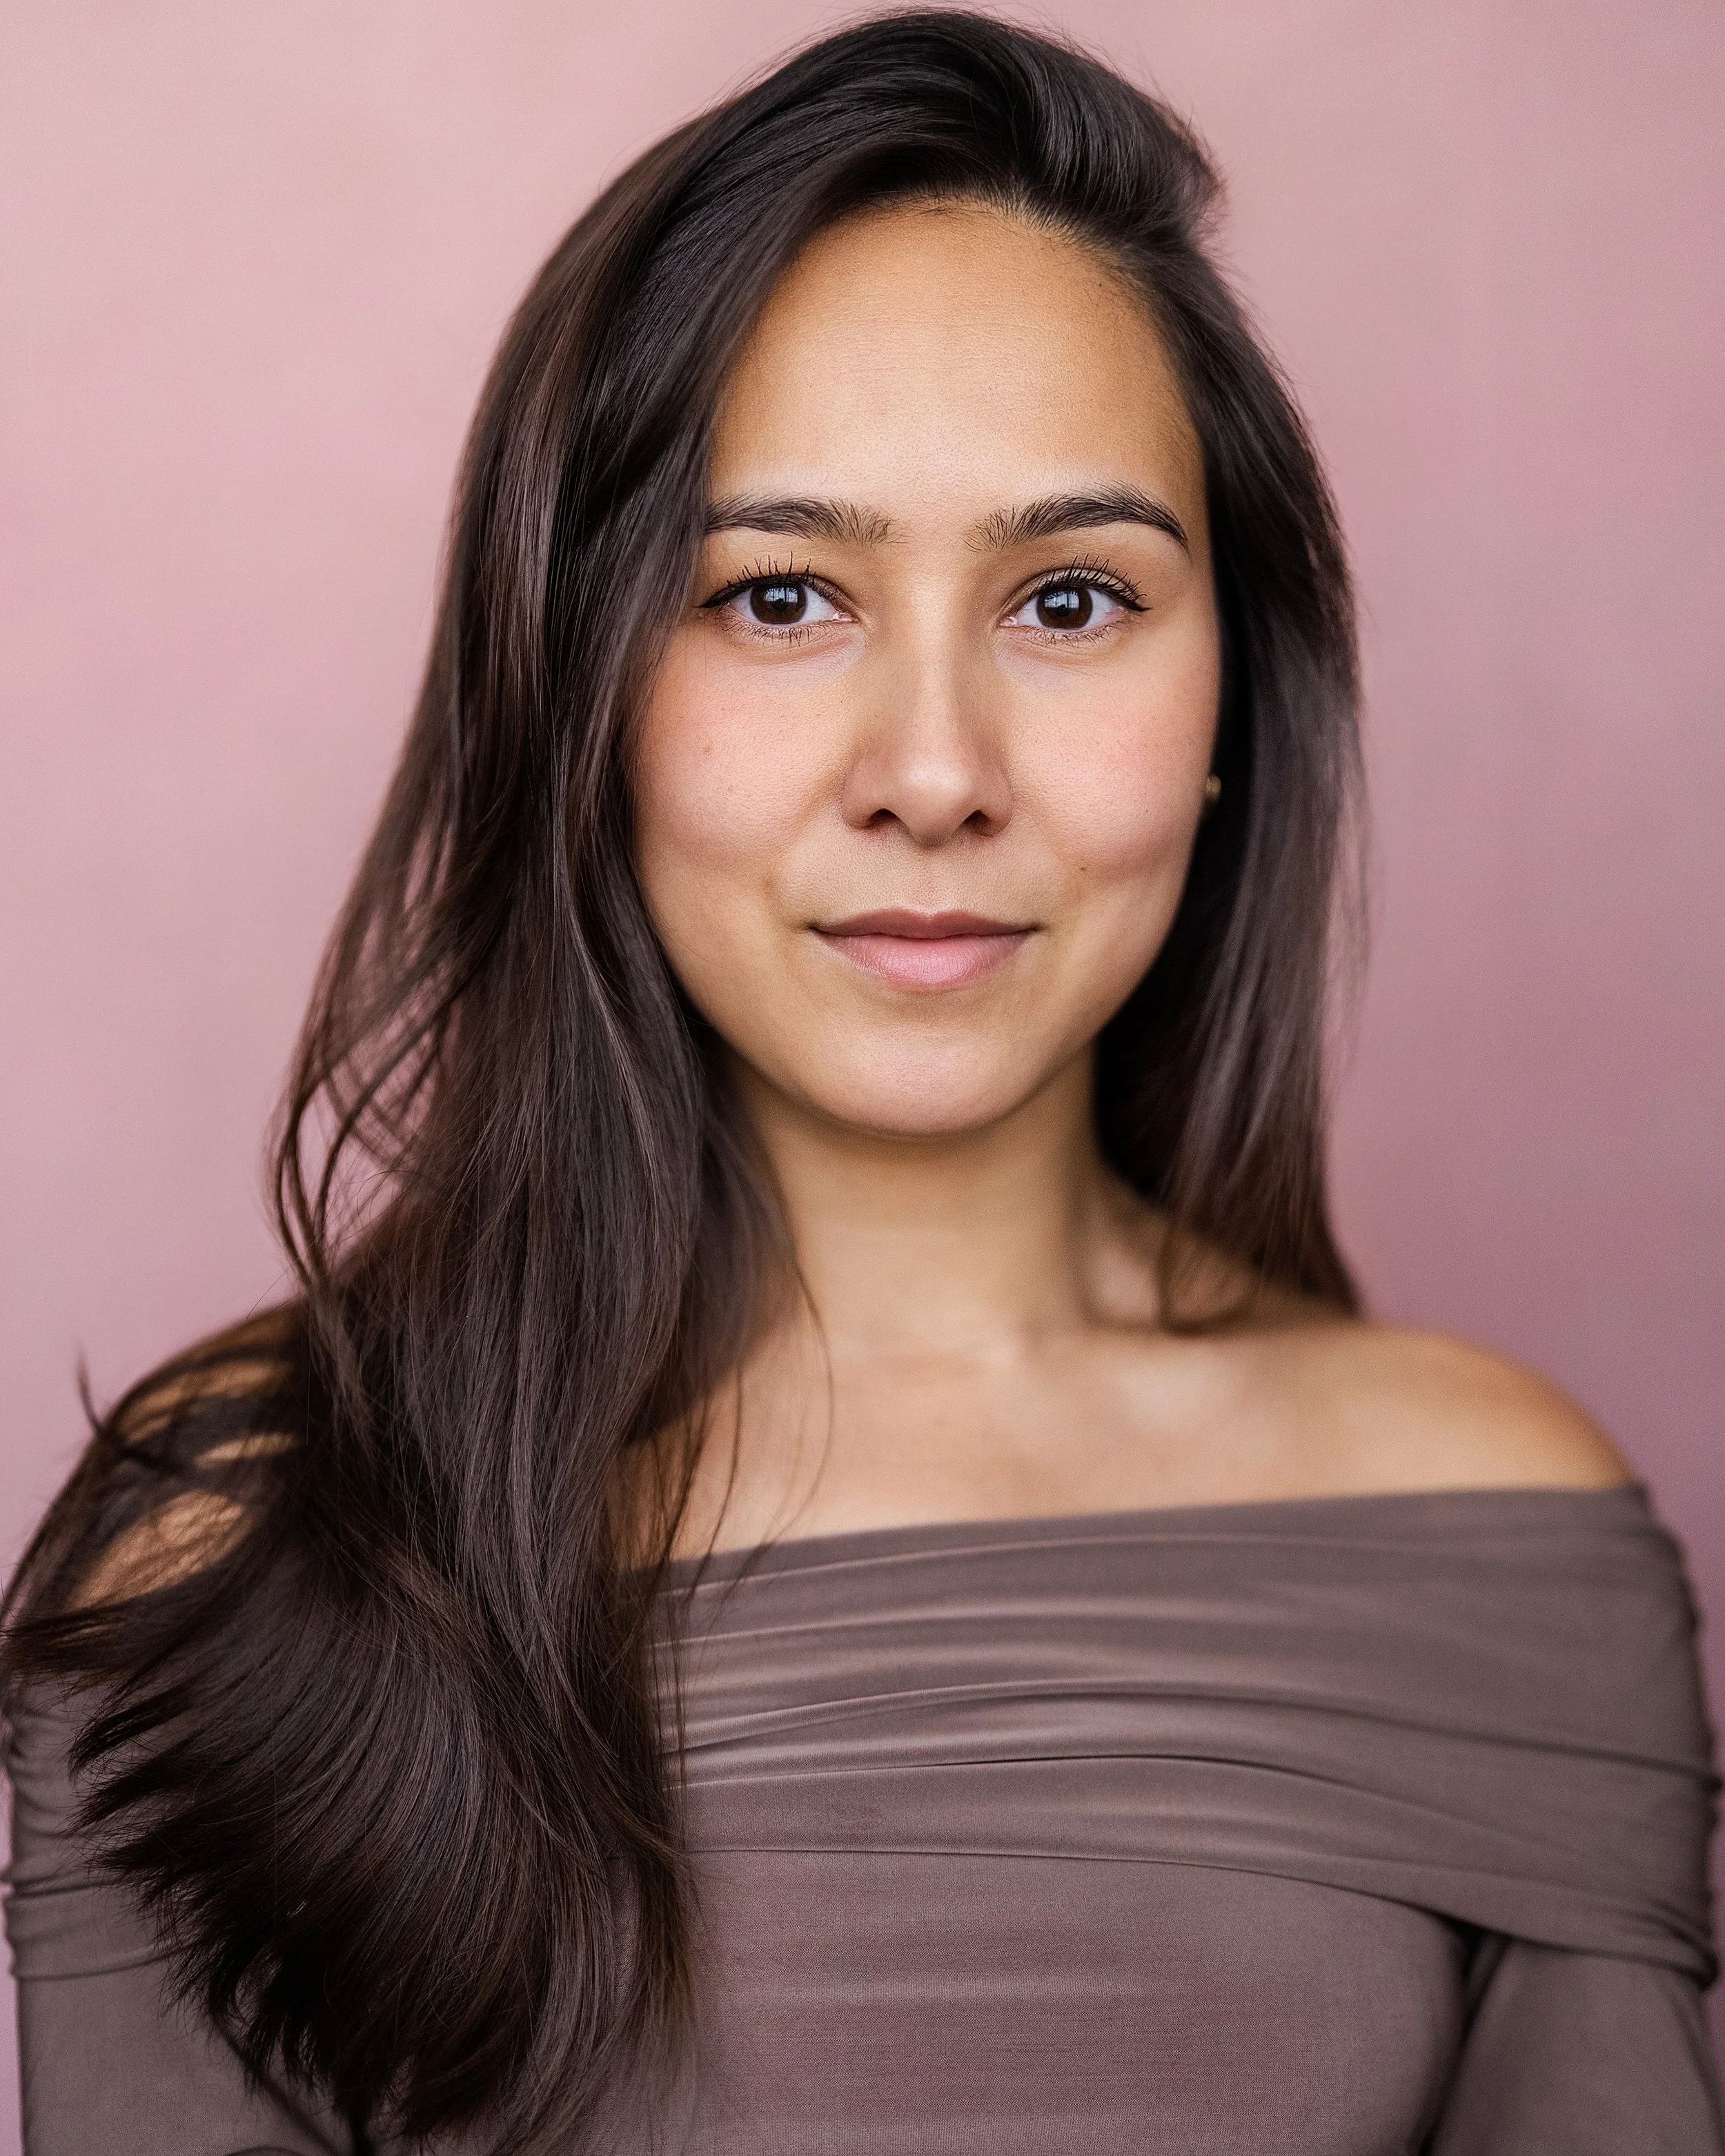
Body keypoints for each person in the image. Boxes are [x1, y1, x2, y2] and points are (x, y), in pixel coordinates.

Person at [4, 12, 1717, 2153]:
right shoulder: (235, 1540)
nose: (932, 773)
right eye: (780, 597)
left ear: (1230, 701)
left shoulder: (1495, 1535)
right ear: (580, 688)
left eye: (1069, 599)